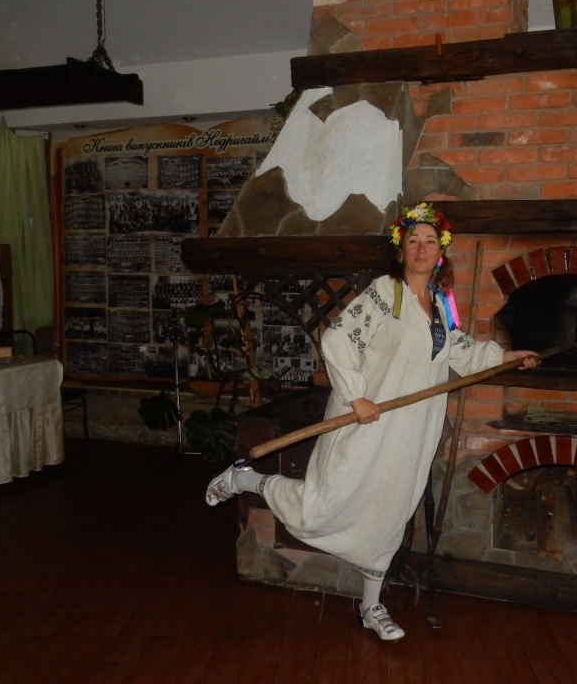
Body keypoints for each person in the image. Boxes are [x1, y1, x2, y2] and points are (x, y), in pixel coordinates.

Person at [205, 202, 538, 641]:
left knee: (389, 512)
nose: (422, 249)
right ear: (402, 250)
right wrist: (356, 396)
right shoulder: (386, 293)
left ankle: (370, 606)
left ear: (441, 251)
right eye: (414, 241)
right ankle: (244, 479)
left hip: (412, 431)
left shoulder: (440, 304)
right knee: (320, 507)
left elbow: (459, 351)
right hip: (367, 421)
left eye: (430, 242)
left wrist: (506, 356)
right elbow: (338, 338)